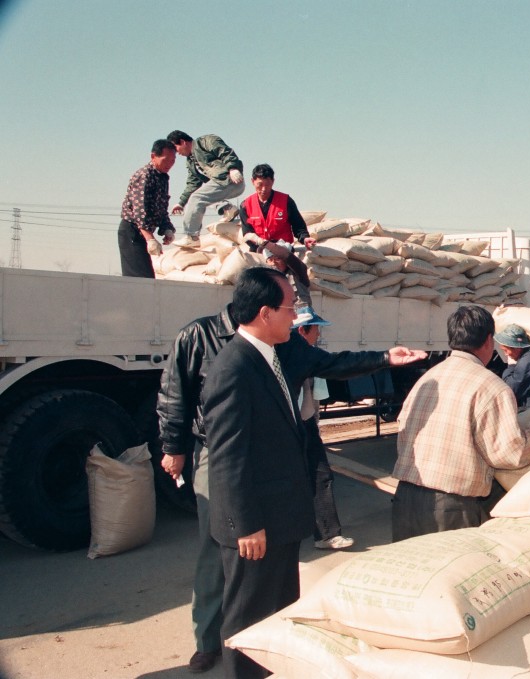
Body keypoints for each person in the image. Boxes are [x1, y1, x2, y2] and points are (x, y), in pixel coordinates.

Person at [157, 268, 425, 675]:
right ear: (265, 313)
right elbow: (229, 457)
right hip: (253, 517)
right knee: (247, 614)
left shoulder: (278, 350)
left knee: (278, 608)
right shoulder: (231, 368)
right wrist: (246, 524)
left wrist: (387, 357)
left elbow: (332, 363)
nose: (296, 317)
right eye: (290, 308)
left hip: (279, 513)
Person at [392, 306, 530, 541]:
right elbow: (509, 454)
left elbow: (402, 428)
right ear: (488, 340)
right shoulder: (491, 386)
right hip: (450, 506)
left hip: (405, 498)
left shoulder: (428, 378)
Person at [293, 308, 354, 550]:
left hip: (305, 423)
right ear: (302, 330)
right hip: (290, 427)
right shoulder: (288, 356)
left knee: (320, 475)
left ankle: (327, 534)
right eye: (316, 329)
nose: (318, 334)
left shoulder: (309, 356)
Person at [167, 130, 245, 246]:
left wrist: (233, 168)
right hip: (219, 184)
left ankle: (191, 236)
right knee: (201, 195)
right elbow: (192, 184)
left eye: (175, 148)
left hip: (230, 179)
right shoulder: (191, 162)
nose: (177, 153)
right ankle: (228, 208)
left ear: (183, 142)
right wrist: (181, 203)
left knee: (197, 198)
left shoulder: (206, 142)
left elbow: (225, 152)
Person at [118, 139, 177, 277]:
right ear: (153, 156)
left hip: (144, 233)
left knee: (147, 276)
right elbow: (140, 210)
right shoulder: (145, 175)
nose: (170, 164)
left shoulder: (162, 178)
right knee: (140, 277)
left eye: (173, 160)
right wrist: (150, 238)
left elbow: (161, 208)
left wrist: (167, 228)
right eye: (166, 159)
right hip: (132, 231)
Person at [239, 164, 316, 251]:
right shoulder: (245, 205)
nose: (264, 189)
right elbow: (247, 234)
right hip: (259, 250)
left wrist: (305, 238)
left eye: (267, 184)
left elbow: (298, 226)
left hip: (283, 249)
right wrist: (262, 247)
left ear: (273, 182)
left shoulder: (286, 201)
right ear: (253, 181)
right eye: (260, 184)